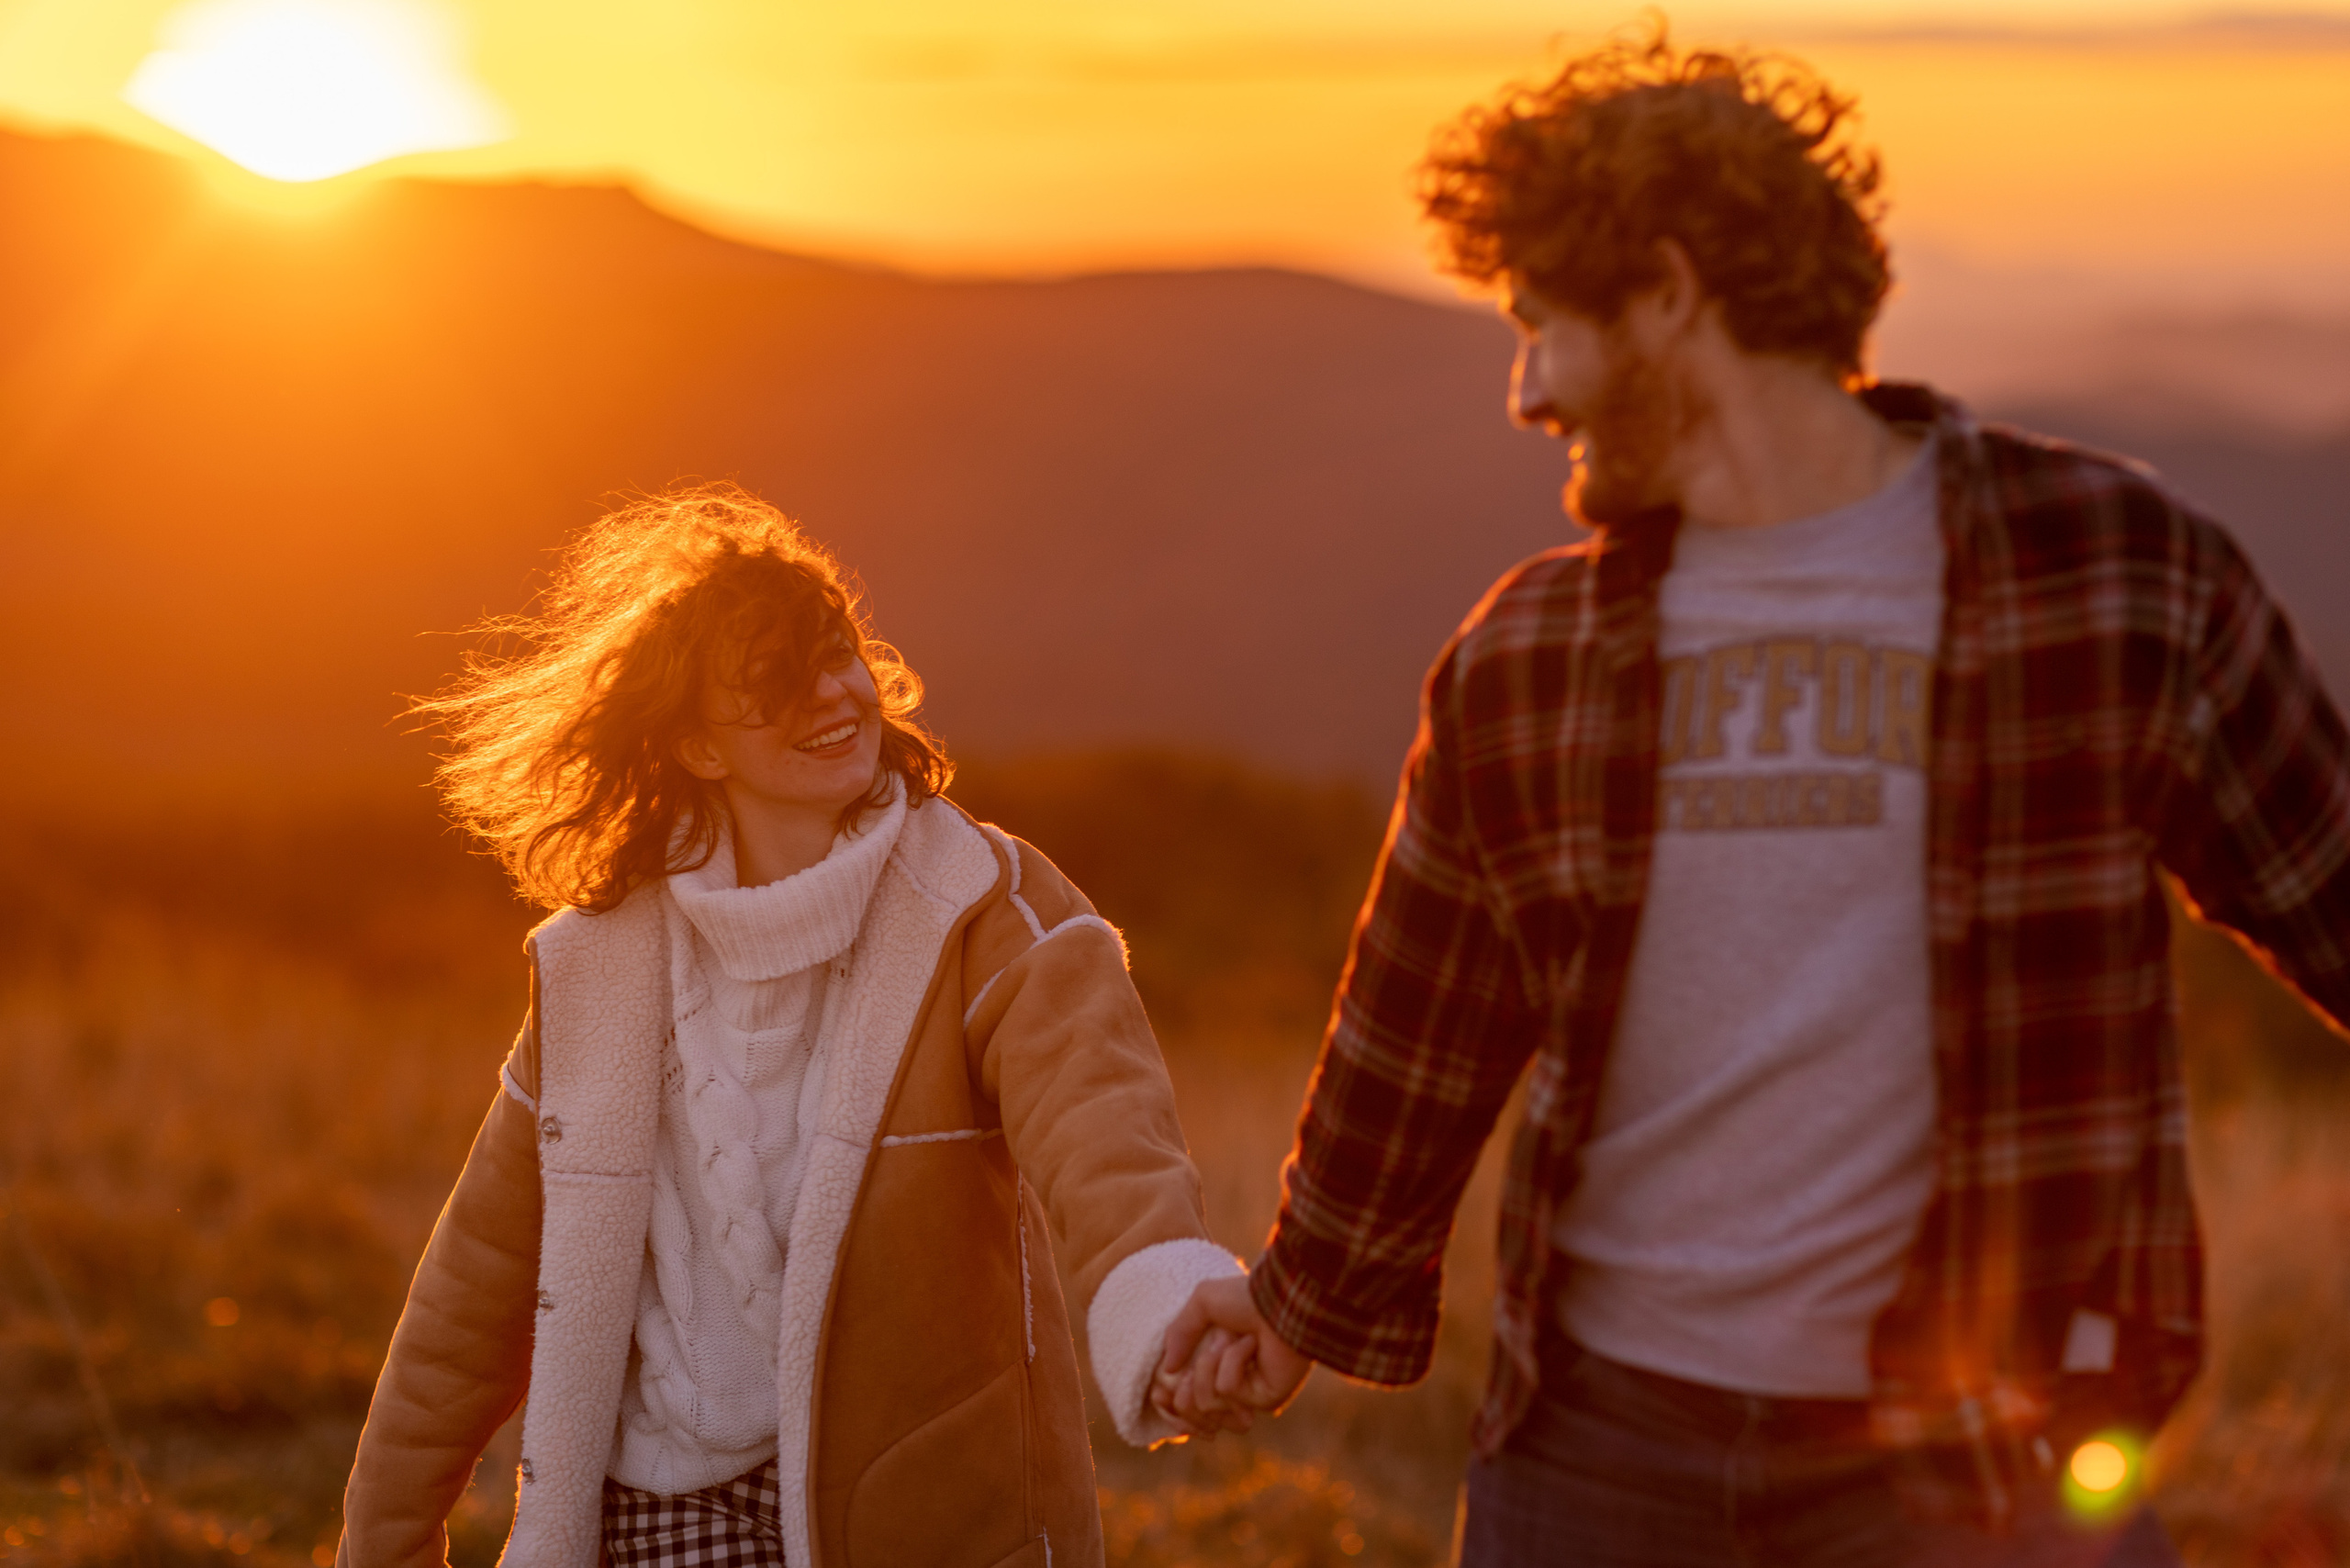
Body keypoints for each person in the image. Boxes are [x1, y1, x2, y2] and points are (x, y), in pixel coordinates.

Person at [1158, 28, 2350, 1567]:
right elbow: (1417, 1032)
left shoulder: (2116, 573)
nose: (1526, 393)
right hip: (1597, 1458)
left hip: (1982, 1455)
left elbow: (2331, 887)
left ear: (1665, 290)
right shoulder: (1528, 656)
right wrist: (1287, 1302)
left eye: (1542, 326)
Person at [335, 487, 1241, 1568]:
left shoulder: (983, 907)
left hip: (918, 1521)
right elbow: (473, 1288)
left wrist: (1166, 1305)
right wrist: (385, 1540)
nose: (835, 693)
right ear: (699, 749)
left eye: (838, 652)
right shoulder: (599, 965)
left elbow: (1103, 1123)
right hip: (653, 1504)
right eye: (776, 682)